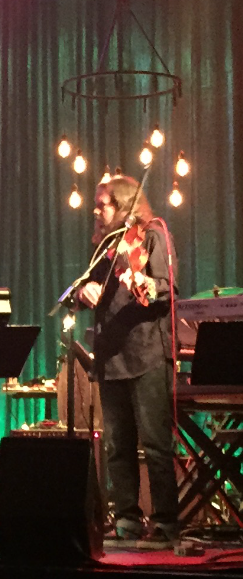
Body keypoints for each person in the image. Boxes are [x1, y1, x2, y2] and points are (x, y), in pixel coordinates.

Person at [77, 174, 179, 542]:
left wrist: (149, 285)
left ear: (123, 205)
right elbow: (85, 286)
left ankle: (166, 521)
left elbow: (167, 287)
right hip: (111, 358)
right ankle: (127, 518)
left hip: (147, 354)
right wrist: (84, 291)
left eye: (102, 204)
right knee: (117, 446)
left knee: (155, 444)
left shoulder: (152, 235)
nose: (96, 211)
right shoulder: (106, 246)